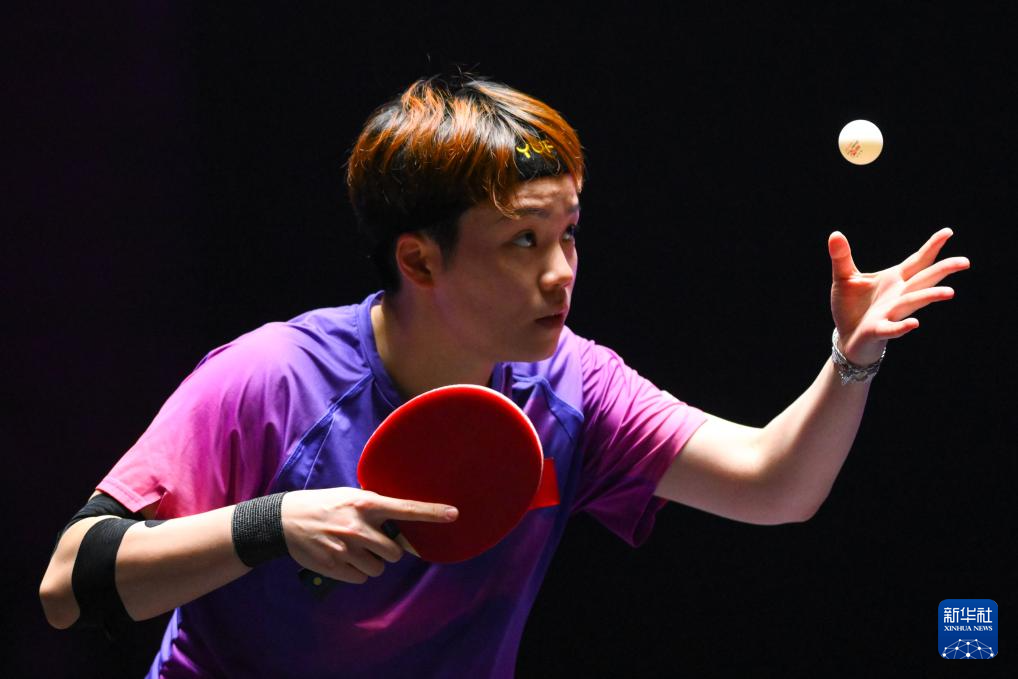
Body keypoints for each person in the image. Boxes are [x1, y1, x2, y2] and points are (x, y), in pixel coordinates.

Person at [39, 75, 969, 678]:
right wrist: (270, 524)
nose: (561, 272)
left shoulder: (572, 387)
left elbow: (775, 485)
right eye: (522, 240)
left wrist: (852, 358)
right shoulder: (272, 380)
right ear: (420, 258)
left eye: (568, 233)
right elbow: (71, 582)